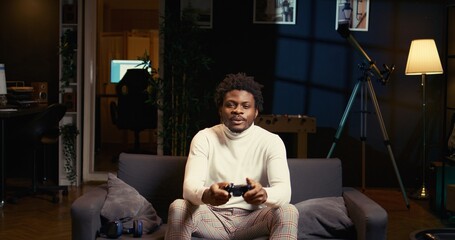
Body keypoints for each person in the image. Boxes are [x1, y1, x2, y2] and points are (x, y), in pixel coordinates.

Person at [165, 73, 298, 239]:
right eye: (231, 105)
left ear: (256, 111)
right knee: (179, 206)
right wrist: (207, 195)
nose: (238, 111)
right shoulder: (204, 137)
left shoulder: (272, 141)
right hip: (212, 218)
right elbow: (189, 188)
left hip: (253, 220)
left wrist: (264, 194)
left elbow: (284, 192)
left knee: (289, 210)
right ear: (220, 109)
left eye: (245, 106)